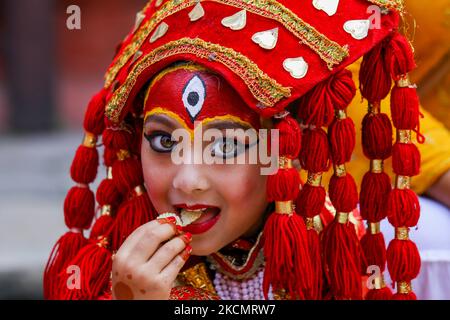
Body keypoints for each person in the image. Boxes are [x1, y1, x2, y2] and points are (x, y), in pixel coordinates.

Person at [44, 0, 424, 300]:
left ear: (281, 153)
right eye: (163, 142)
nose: (188, 179)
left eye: (225, 146)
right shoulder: (114, 269)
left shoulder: (330, 249)